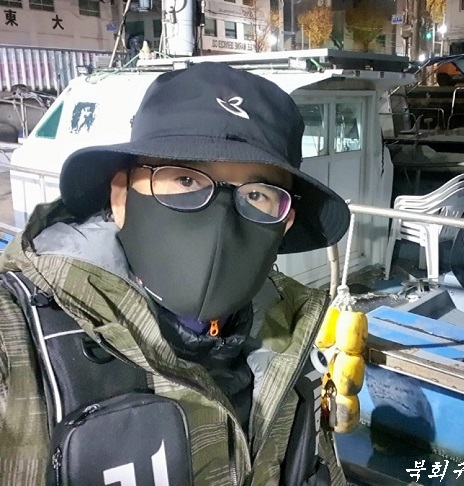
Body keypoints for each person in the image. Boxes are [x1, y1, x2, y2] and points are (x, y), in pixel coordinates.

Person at [0, 62, 350, 485]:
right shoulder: (20, 335)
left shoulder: (292, 333)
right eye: (185, 179)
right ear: (121, 196)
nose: (220, 220)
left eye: (257, 194)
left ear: (285, 221)